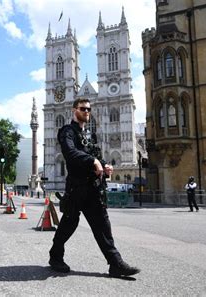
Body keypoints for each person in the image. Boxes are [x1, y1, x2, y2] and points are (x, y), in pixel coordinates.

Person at [48, 98, 140, 278]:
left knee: (102, 225)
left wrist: (105, 166)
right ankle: (55, 256)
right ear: (74, 110)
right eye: (83, 109)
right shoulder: (67, 132)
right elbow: (71, 154)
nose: (86, 112)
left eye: (89, 109)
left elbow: (95, 155)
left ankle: (115, 263)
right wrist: (93, 161)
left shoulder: (88, 135)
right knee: (69, 223)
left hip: (93, 188)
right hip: (76, 188)